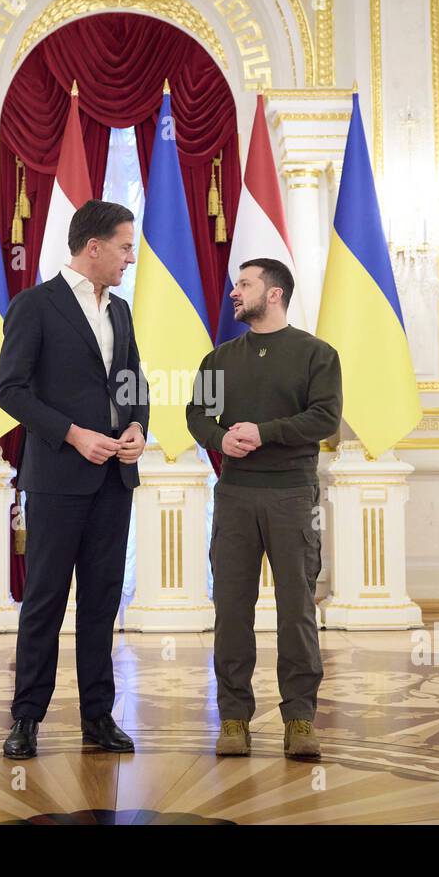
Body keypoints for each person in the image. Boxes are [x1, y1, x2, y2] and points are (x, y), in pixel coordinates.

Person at [0, 199, 148, 760]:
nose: (131, 257)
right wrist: (73, 435)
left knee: (103, 602)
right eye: (126, 246)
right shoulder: (34, 305)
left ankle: (97, 718)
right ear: (95, 247)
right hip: (58, 480)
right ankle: (26, 719)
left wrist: (136, 426)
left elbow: (134, 382)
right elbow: (10, 391)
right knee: (44, 601)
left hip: (114, 481)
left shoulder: (122, 311)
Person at [186, 258, 342, 760]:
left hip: (292, 495)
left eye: (245, 284)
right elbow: (196, 413)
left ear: (273, 294)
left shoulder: (317, 354)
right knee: (231, 611)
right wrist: (219, 438)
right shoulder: (219, 359)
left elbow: (325, 417)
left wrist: (264, 432)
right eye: (236, 283)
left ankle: (300, 719)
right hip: (234, 495)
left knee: (296, 611)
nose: (235, 292)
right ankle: (233, 720)